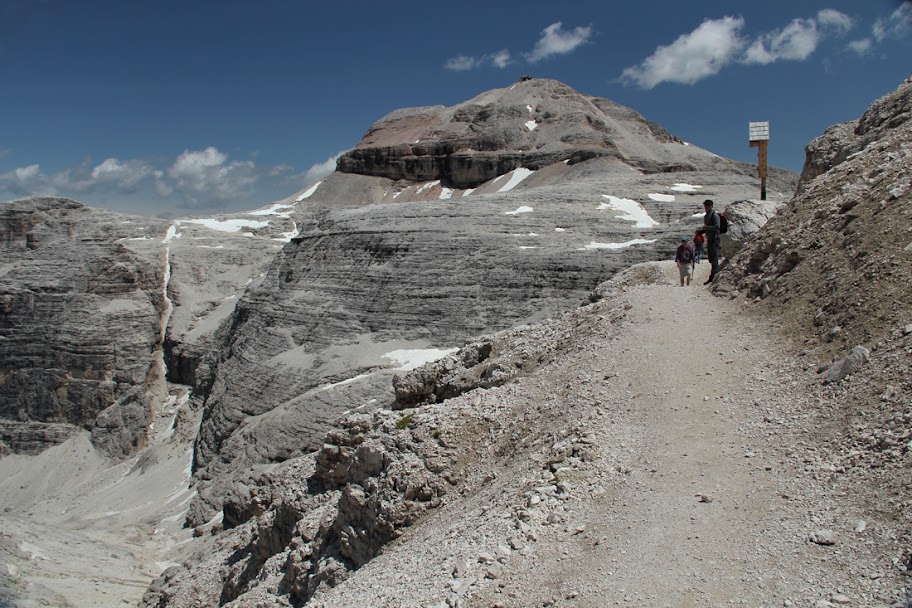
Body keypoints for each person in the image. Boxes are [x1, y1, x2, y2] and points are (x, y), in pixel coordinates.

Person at [696, 199, 721, 284]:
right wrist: (701, 232)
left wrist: (707, 228)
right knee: (711, 258)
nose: (706, 207)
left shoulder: (714, 215)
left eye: (708, 205)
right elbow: (707, 228)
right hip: (710, 239)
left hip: (715, 239)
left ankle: (714, 277)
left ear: (711, 206)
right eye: (705, 205)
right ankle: (713, 276)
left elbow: (717, 227)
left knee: (714, 258)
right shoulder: (706, 216)